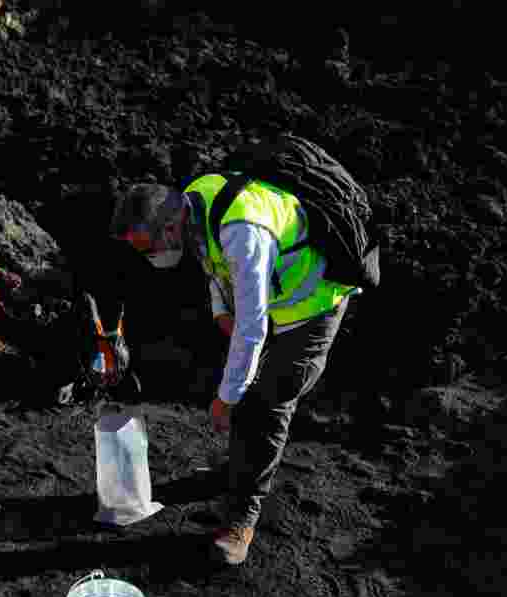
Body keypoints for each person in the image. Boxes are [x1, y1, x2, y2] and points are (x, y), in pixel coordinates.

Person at [110, 175, 358, 565]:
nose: (150, 258)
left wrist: (225, 400)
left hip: (313, 304)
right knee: (244, 385)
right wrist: (220, 310)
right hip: (274, 302)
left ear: (170, 226)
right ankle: (238, 471)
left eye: (150, 248)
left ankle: (242, 520)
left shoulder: (242, 231)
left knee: (270, 404)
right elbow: (213, 262)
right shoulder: (196, 201)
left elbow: (252, 326)